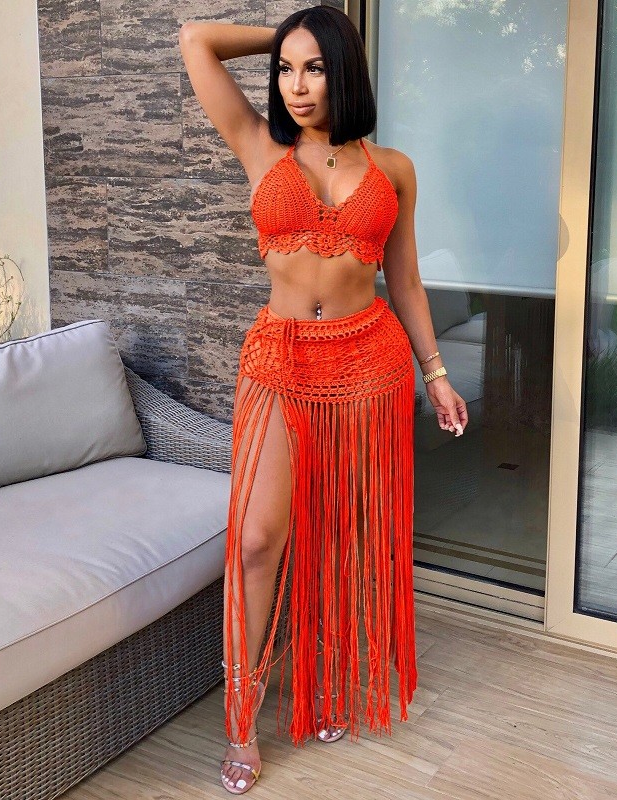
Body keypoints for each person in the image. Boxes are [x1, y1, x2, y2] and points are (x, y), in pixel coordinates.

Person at [179, 6, 468, 794]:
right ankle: (243, 714)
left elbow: (404, 280)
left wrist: (436, 372)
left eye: (313, 67)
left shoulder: (393, 169)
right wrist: (284, 33)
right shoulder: (257, 143)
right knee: (257, 540)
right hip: (279, 360)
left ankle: (322, 683)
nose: (295, 85)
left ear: (343, 70)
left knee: (339, 540)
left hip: (367, 362)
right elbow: (196, 39)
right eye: (285, 69)